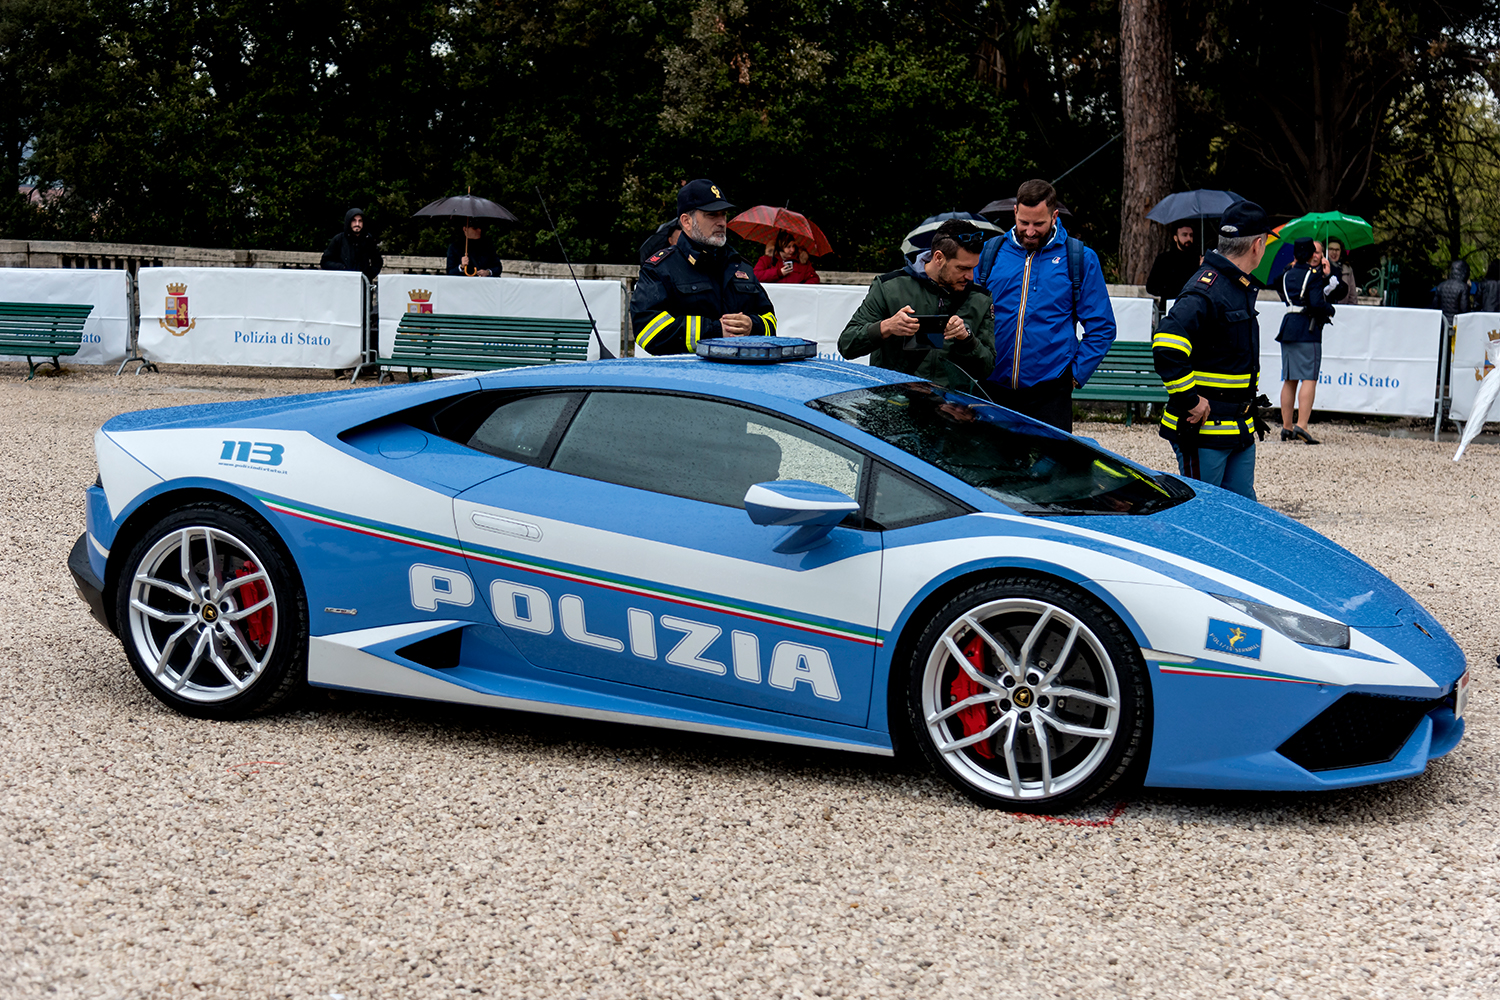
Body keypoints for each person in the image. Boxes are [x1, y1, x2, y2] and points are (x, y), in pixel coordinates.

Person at [974, 178, 1118, 432]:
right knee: (992, 470)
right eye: (1024, 222)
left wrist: (1073, 376)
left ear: (1054, 217)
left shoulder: (1081, 258)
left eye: (1038, 224)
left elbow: (1102, 327)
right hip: (991, 388)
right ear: (1015, 212)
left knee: (1050, 471)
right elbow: (968, 314)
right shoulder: (989, 253)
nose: (1030, 231)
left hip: (1050, 393)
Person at [1152, 200, 1271, 500]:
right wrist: (1190, 399)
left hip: (1237, 429)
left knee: (1243, 517)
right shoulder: (1208, 288)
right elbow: (1166, 343)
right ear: (1257, 245)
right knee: (1202, 518)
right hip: (1204, 431)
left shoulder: (1234, 285)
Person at [837, 220, 996, 387]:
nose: (970, 276)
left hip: (951, 408)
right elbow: (847, 345)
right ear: (939, 258)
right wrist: (887, 326)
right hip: (895, 403)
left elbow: (986, 369)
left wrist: (967, 339)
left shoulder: (980, 298)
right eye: (962, 268)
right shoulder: (889, 287)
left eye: (973, 268)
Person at [630, 179, 777, 355]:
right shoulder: (660, 268)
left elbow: (770, 321)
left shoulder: (740, 266)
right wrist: (714, 331)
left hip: (738, 375)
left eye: (723, 214)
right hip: (685, 378)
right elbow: (647, 330)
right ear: (686, 221)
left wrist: (752, 326)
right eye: (712, 215)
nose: (722, 222)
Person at [1275, 238, 1336, 445]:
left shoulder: (1285, 275)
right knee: (1309, 377)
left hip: (1288, 326)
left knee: (1289, 379)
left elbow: (1280, 289)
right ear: (1312, 255)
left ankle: (1286, 426)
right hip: (1307, 329)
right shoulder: (1313, 276)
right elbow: (1317, 303)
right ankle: (1302, 424)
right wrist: (1330, 310)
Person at [319, 208, 383, 281]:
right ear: (349, 222)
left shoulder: (368, 240)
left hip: (362, 283)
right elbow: (325, 262)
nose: (357, 224)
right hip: (342, 282)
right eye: (354, 220)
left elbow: (377, 261)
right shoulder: (339, 239)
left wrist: (368, 275)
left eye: (360, 221)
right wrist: (342, 268)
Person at [1145, 223, 1201, 306]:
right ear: (1175, 238)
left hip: (1192, 306)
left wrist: (1202, 268)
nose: (1188, 238)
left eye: (1191, 235)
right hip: (1169, 306)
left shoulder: (1198, 259)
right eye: (1184, 235)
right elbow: (1151, 287)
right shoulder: (1163, 259)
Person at [755, 231, 820, 284]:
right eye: (788, 247)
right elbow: (756, 275)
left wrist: (802, 290)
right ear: (780, 247)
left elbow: (814, 278)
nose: (792, 250)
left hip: (796, 297)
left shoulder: (801, 260)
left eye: (793, 246)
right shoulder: (767, 260)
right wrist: (778, 273)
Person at [1324, 237, 1352, 303]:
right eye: (1331, 249)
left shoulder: (1347, 268)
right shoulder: (1321, 267)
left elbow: (1352, 295)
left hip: (1343, 309)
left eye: (1337, 250)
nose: (1334, 252)